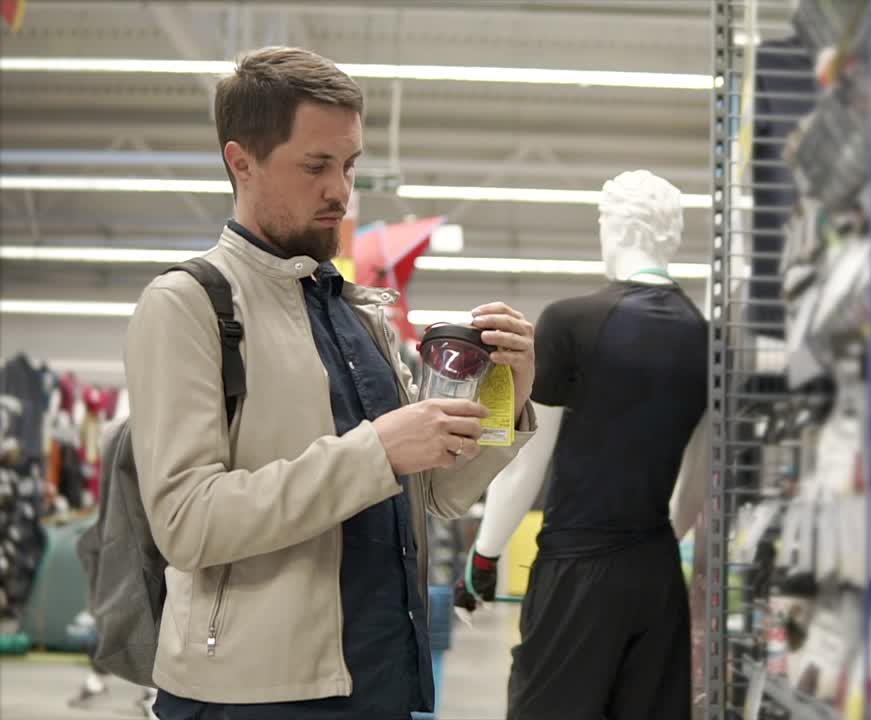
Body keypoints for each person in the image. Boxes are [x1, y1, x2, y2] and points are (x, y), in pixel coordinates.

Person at [124, 46, 538, 720]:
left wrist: (508, 397)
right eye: (316, 166)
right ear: (242, 160)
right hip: (251, 696)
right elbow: (186, 523)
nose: (341, 191)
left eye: (349, 166)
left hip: (378, 676)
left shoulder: (358, 316)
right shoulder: (188, 305)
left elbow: (435, 495)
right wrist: (377, 450)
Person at [453, 170, 710, 720]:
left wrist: (485, 554)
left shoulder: (570, 322)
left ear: (610, 226)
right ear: (672, 235)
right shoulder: (707, 337)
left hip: (578, 570)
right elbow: (697, 484)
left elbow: (525, 460)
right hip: (658, 571)